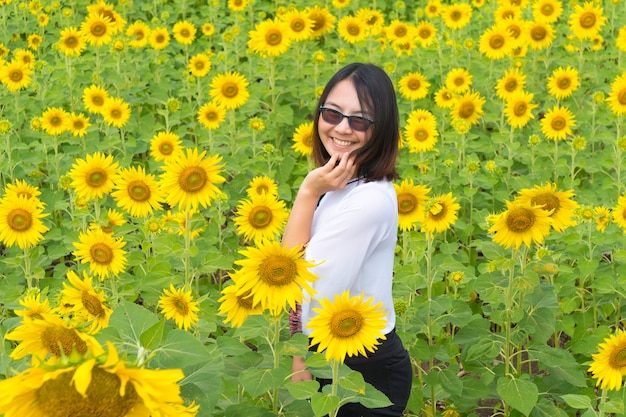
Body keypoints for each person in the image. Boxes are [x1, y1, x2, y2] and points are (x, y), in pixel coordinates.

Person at [282, 62, 413, 417]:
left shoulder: (366, 202)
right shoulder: (344, 183)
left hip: (360, 367)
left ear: (380, 129)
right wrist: (311, 190)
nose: (342, 128)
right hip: (336, 355)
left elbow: (298, 282)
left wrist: (298, 360)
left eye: (360, 120)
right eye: (333, 113)